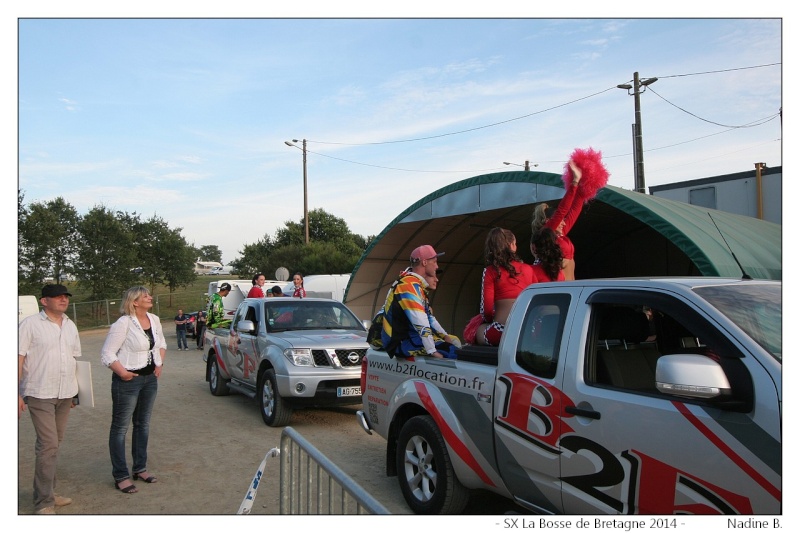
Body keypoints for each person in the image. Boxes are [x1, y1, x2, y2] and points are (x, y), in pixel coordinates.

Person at [18, 284, 81, 514]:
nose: (63, 300)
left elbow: (74, 359)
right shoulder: (29, 325)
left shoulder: (70, 326)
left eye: (65, 296)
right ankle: (43, 502)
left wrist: (76, 393)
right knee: (48, 445)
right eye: (57, 297)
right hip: (39, 393)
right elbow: (18, 358)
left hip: (64, 394)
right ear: (44, 301)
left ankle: (49, 493)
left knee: (53, 444)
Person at [100, 286, 167, 494]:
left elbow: (161, 344)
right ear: (134, 302)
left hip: (149, 380)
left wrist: (159, 364)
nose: (150, 297)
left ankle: (140, 468)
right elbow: (107, 353)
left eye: (149, 294)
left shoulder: (154, 319)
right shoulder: (124, 323)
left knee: (142, 425)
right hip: (127, 381)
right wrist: (123, 373)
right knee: (120, 428)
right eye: (144, 295)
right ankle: (120, 475)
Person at [379, 245, 460, 359]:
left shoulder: (415, 284)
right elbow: (420, 320)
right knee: (453, 352)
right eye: (435, 262)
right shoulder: (408, 285)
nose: (437, 266)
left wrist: (445, 336)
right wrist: (432, 351)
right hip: (401, 343)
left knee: (454, 342)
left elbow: (429, 318)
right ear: (425, 262)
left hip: (409, 339)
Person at [475, 228, 536, 346]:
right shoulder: (529, 269)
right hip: (528, 332)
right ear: (512, 245)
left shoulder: (490, 271)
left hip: (501, 331)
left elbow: (486, 310)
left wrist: (489, 320)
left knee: (477, 330)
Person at [531, 159, 584, 280]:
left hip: (572, 286)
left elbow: (575, 210)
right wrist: (575, 182)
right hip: (559, 286)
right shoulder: (548, 233)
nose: (564, 222)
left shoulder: (562, 234)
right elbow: (563, 210)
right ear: (549, 220)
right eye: (560, 220)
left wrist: (583, 186)